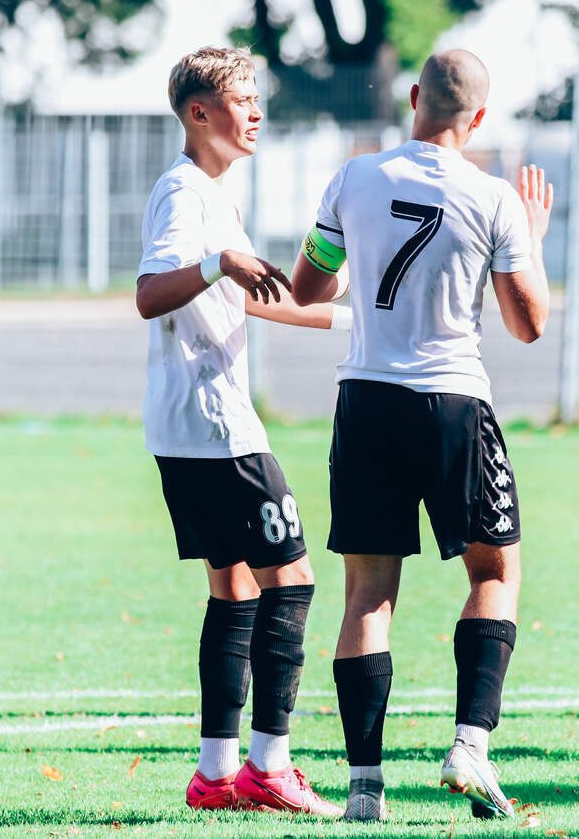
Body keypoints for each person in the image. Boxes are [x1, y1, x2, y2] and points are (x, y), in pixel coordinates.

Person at [292, 49, 552, 822]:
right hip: (452, 402)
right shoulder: (493, 196)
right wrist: (530, 239)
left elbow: (308, 288)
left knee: (368, 593)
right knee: (494, 571)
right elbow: (529, 323)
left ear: (413, 97)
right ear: (479, 118)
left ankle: (364, 789)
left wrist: (356, 262)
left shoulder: (354, 177)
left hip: (366, 399)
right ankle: (470, 744)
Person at [135, 46, 352, 816]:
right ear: (200, 113)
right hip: (217, 426)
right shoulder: (184, 192)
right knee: (291, 580)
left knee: (233, 589)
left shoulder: (211, 193)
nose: (257, 112)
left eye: (259, 98)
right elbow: (151, 293)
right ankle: (272, 765)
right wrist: (220, 261)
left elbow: (248, 297)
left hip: (184, 427)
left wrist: (355, 323)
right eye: (242, 99)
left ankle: (217, 773)